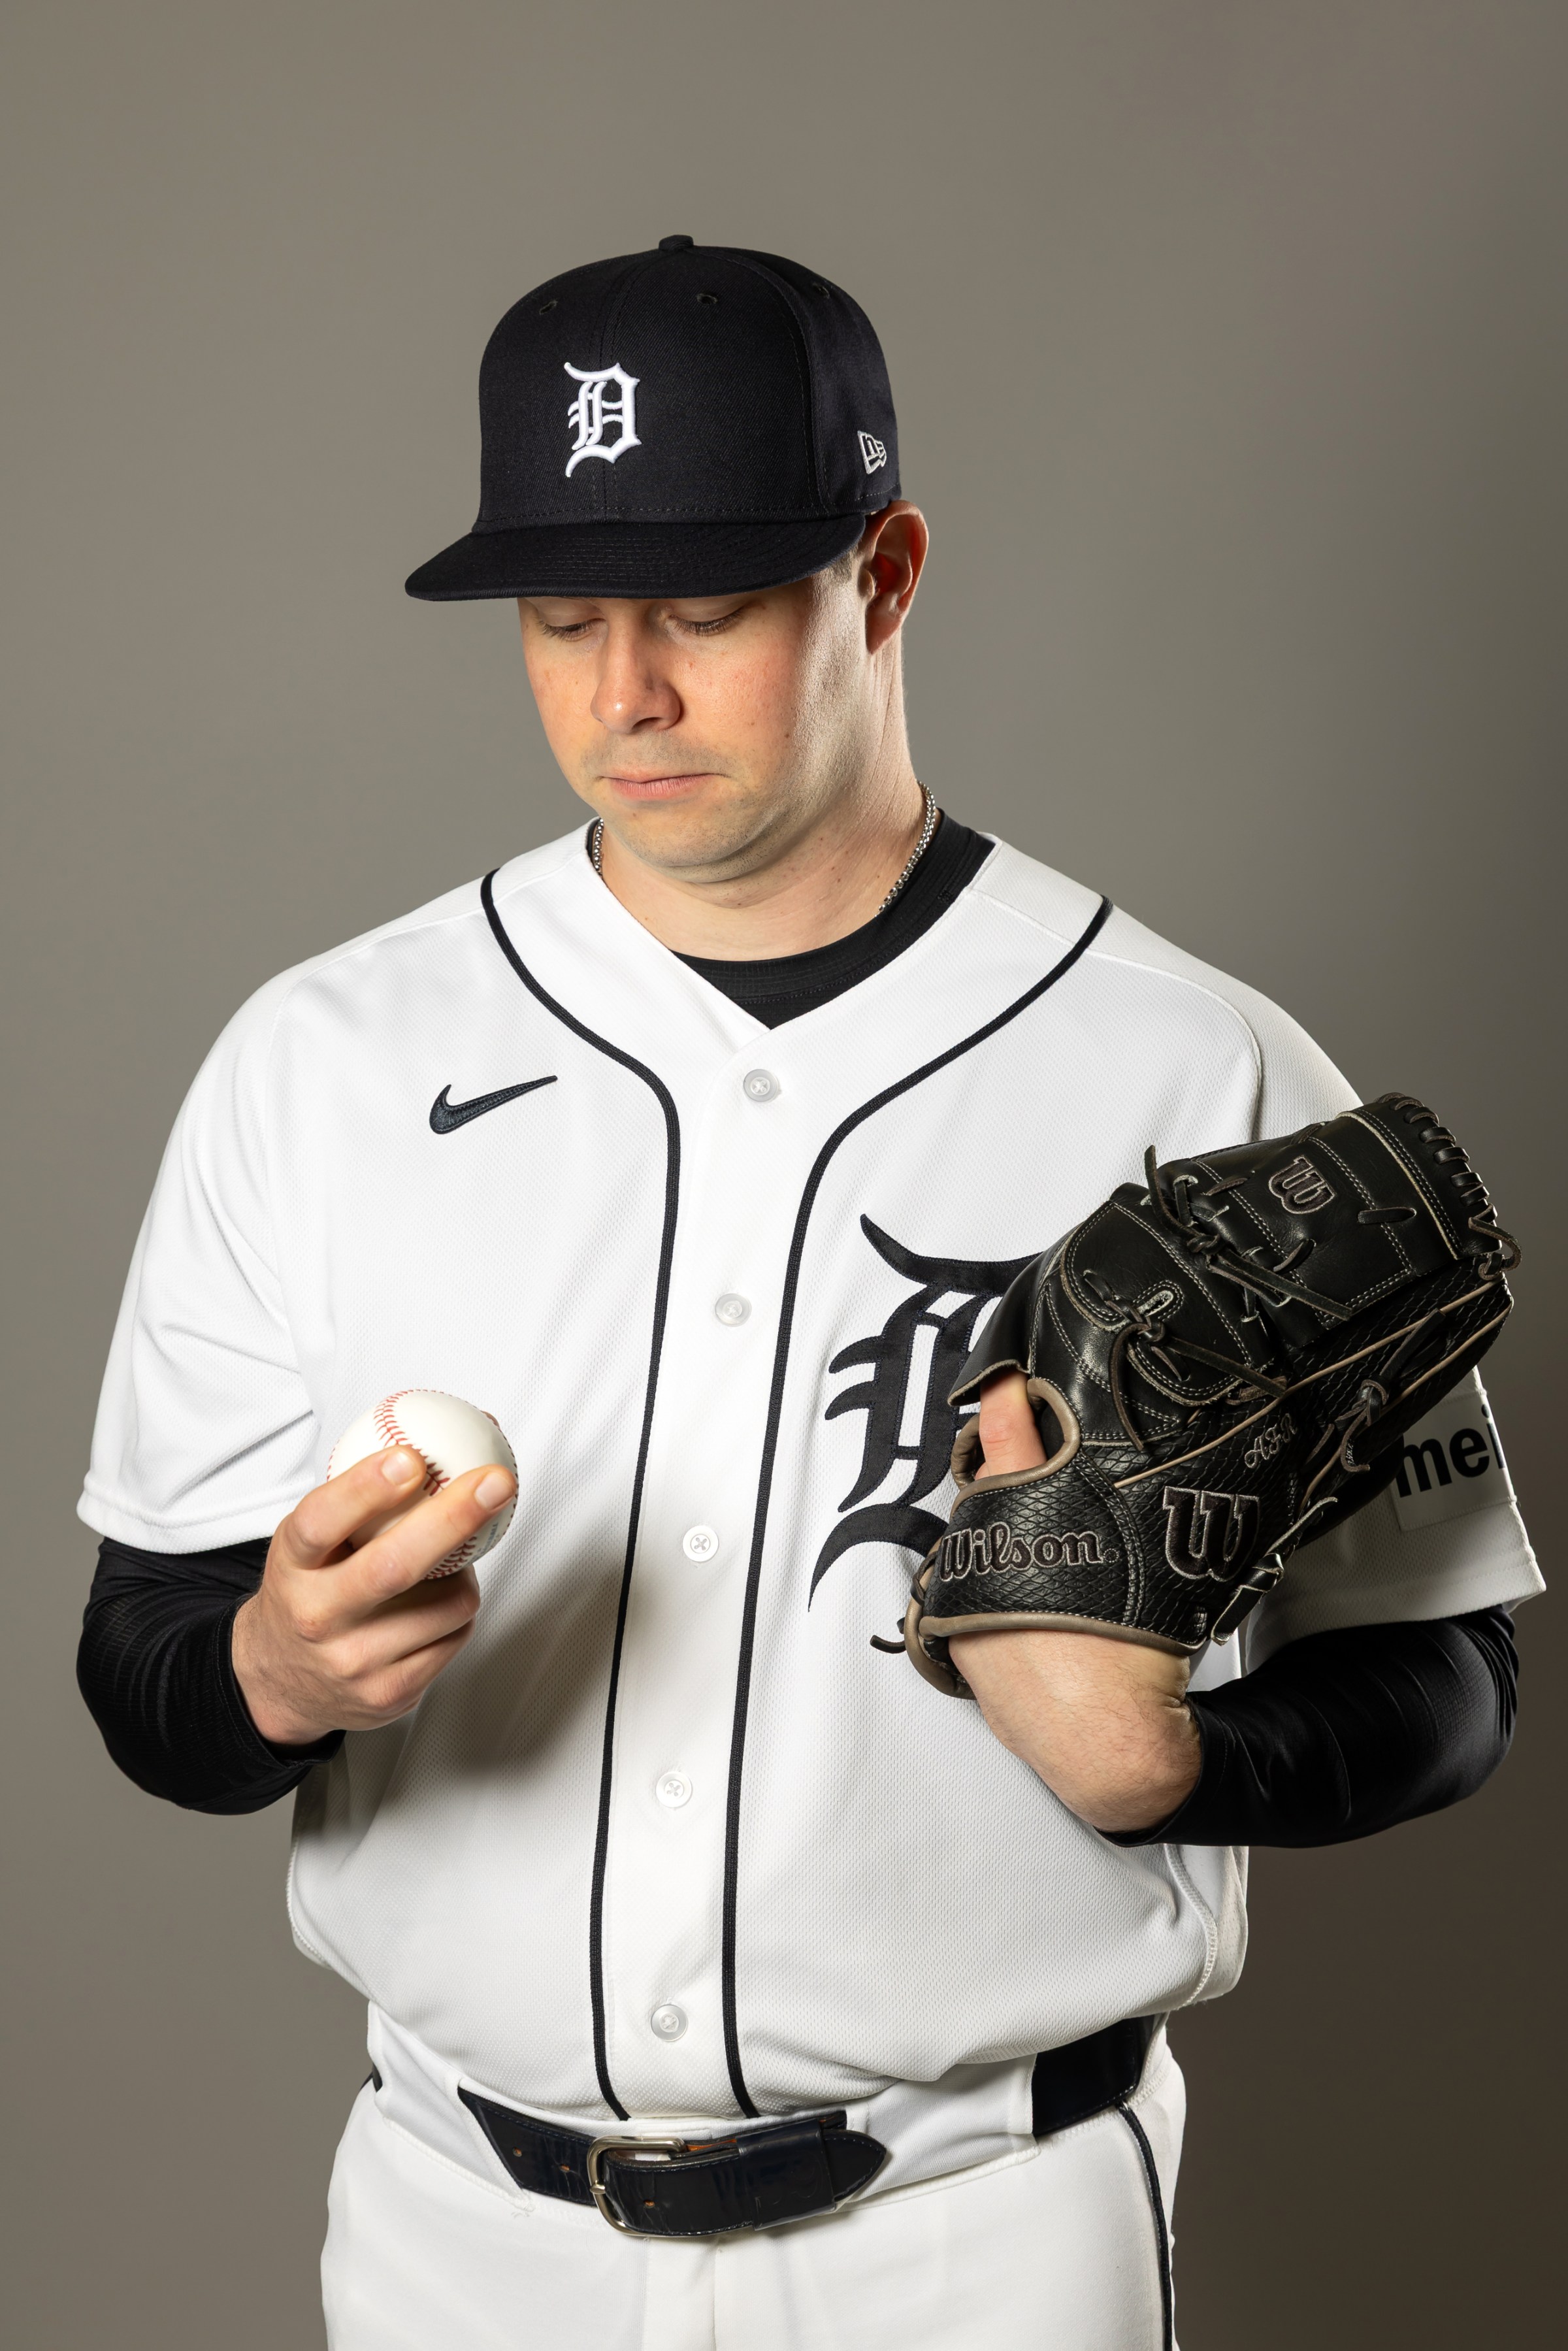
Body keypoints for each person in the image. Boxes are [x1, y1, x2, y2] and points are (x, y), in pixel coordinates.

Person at [78, 237, 1541, 2351]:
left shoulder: (1194, 1073)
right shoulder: (321, 1061)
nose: (625, 691)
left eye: (704, 609)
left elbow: (1456, 1674)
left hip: (982, 2237)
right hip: (456, 2240)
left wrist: (1176, 1767)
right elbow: (145, 1658)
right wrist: (275, 1673)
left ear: (886, 572)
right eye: (563, 618)